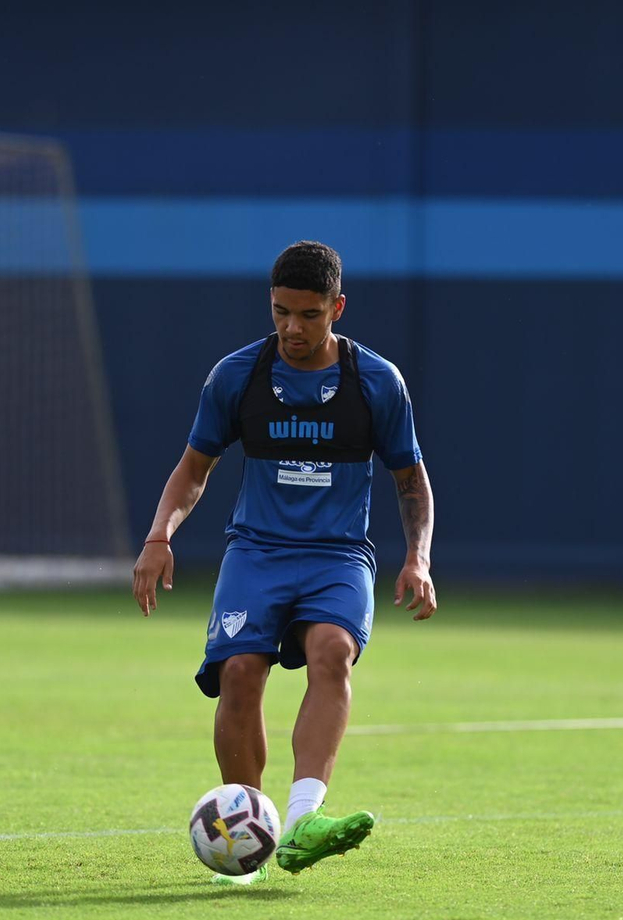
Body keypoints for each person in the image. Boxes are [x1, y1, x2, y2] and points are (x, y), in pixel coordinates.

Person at [132, 240, 436, 882]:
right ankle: (249, 844)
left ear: (337, 308)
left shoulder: (376, 382)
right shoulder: (237, 376)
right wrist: (160, 535)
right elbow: (193, 470)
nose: (292, 328)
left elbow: (411, 481)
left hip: (337, 555)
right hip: (256, 553)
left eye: (308, 315)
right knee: (240, 674)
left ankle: (300, 823)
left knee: (332, 652)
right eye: (280, 313)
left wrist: (418, 558)